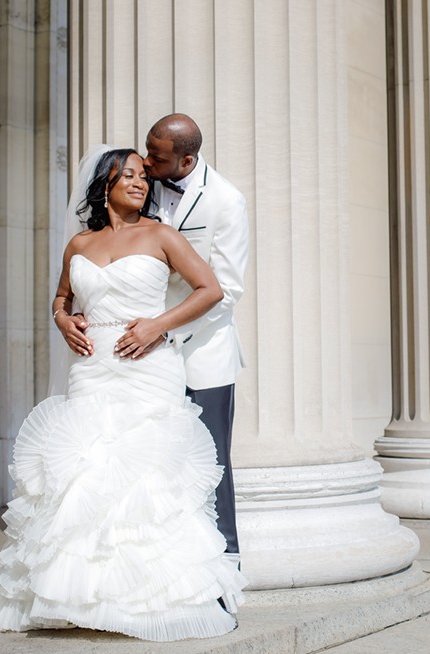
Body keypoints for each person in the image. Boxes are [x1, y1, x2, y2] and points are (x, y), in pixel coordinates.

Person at [0, 148, 246, 642]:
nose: (141, 183)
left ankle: (150, 595)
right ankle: (76, 591)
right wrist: (62, 320)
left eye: (144, 177)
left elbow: (210, 289)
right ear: (105, 185)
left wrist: (158, 326)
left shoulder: (163, 235)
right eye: (130, 176)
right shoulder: (78, 244)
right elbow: (61, 298)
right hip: (92, 367)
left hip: (147, 365)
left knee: (145, 472)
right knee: (85, 468)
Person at [143, 114, 249, 565]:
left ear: (187, 159)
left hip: (202, 354)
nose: (146, 162)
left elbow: (227, 291)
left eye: (157, 156)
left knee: (210, 465)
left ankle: (226, 566)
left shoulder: (227, 202)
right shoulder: (142, 184)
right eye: (147, 149)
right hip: (143, 355)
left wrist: (165, 330)